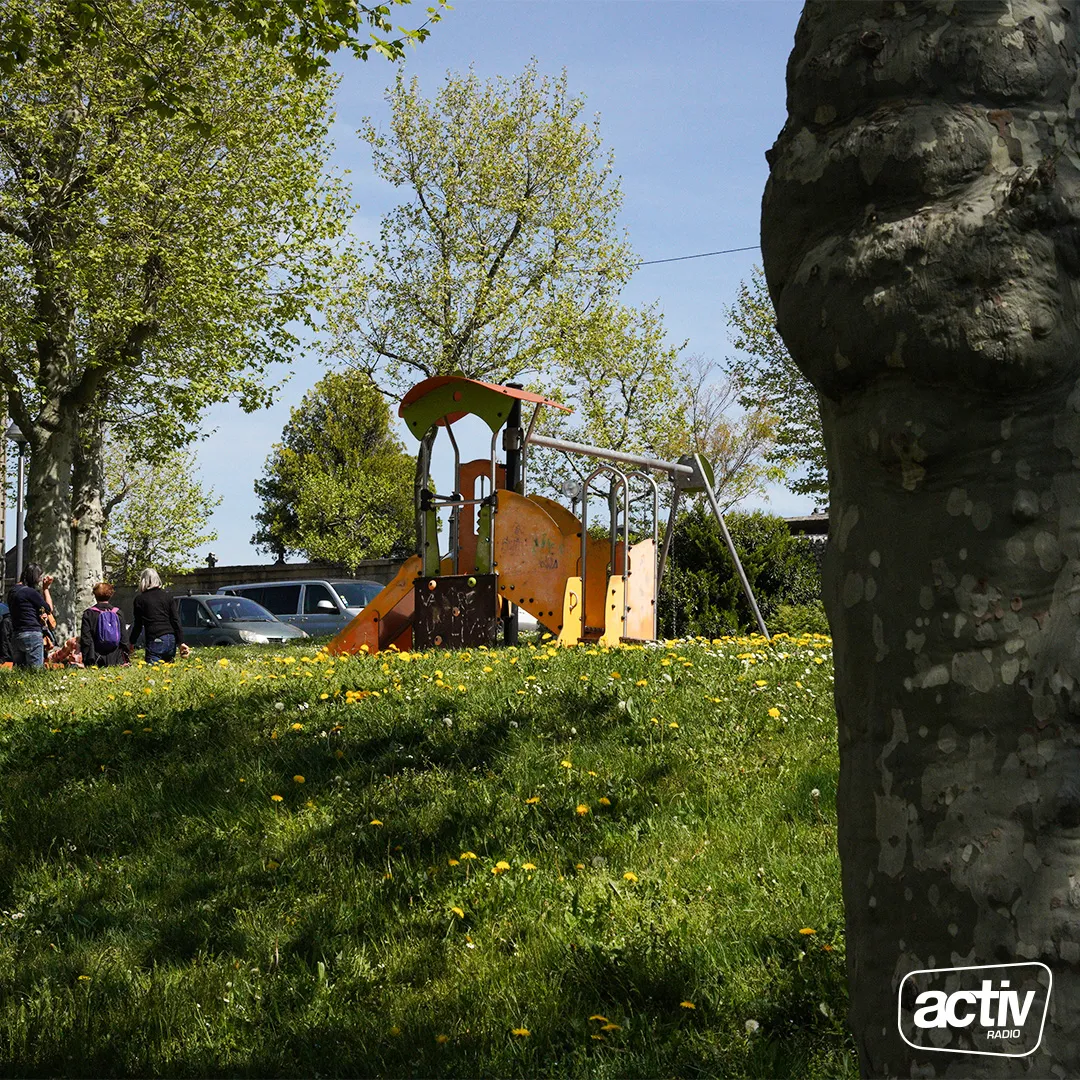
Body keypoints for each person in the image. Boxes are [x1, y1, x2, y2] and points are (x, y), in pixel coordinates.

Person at [129, 567, 189, 664]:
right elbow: (175, 620)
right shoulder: (167, 597)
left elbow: (138, 625)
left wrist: (131, 642)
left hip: (155, 638)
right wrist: (181, 642)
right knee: (168, 672)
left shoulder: (140, 600)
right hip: (171, 638)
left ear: (143, 581)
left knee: (152, 673)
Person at [7, 564, 54, 669]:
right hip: (32, 634)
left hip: (16, 635)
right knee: (35, 673)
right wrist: (45, 589)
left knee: (20, 672)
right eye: (39, 577)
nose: (40, 580)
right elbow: (49, 608)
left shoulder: (12, 591)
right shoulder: (30, 592)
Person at [80, 582, 131, 667]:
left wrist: (86, 659)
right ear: (110, 595)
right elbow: (124, 638)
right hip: (116, 658)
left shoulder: (89, 614)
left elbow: (86, 639)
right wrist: (125, 656)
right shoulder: (118, 613)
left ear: (95, 595)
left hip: (96, 658)